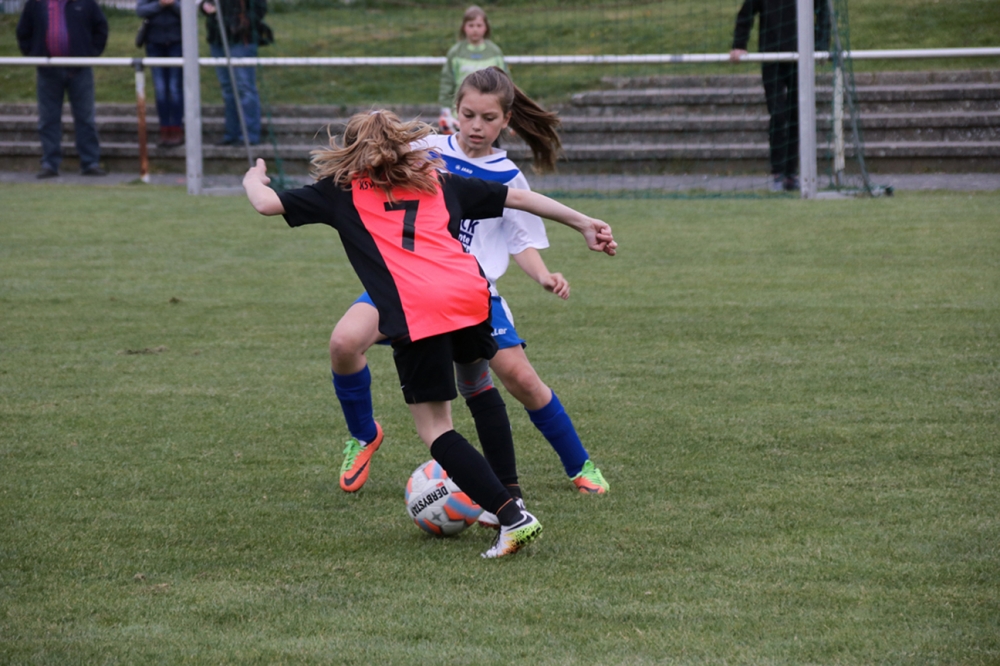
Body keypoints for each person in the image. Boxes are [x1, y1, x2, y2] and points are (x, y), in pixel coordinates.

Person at [242, 111, 616, 558]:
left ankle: (512, 519)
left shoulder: (341, 190)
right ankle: (510, 499)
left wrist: (253, 178)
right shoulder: (436, 181)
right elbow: (519, 199)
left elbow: (266, 204)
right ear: (404, 144)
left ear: (351, 152)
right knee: (478, 385)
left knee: (436, 429)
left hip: (419, 309)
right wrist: (583, 222)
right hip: (472, 296)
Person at [331, 67, 611, 509]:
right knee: (345, 342)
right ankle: (364, 435)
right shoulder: (425, 150)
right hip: (408, 284)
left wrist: (543, 275)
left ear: (506, 121)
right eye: (468, 115)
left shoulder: (507, 175)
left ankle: (579, 465)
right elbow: (370, 159)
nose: (476, 126)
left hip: (473, 292)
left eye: (488, 118)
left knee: (519, 378)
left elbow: (518, 239)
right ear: (454, 112)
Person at [730, 0, 829, 192]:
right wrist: (739, 45)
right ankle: (778, 173)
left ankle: (791, 173)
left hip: (801, 57)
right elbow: (746, 13)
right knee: (778, 114)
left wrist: (821, 45)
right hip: (771, 58)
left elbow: (823, 12)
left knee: (797, 115)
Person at [16, 0, 109, 179]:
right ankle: (49, 163)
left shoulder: (86, 2)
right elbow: (23, 31)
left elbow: (100, 27)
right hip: (48, 71)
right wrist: (34, 54)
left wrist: (90, 53)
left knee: (85, 118)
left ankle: (90, 162)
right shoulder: (35, 3)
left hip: (80, 70)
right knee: (48, 119)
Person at [199, 0, 272, 146]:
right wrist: (205, 6)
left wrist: (241, 23)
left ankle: (249, 135)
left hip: (240, 40)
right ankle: (231, 133)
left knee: (244, 88)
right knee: (228, 88)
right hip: (217, 38)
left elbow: (259, 8)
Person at [438, 5, 508, 135]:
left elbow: (506, 81)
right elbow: (447, 81)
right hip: (461, 116)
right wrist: (445, 108)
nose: (475, 29)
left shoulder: (495, 52)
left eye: (479, 25)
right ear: (464, 27)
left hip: (490, 113)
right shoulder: (455, 52)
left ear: (486, 27)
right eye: (471, 25)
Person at [137, 0, 183, 147]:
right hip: (154, 44)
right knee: (160, 89)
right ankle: (164, 129)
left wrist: (172, 4)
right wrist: (160, 4)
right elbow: (140, 10)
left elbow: (188, 11)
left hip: (177, 42)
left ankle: (176, 129)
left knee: (175, 88)